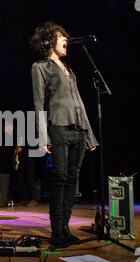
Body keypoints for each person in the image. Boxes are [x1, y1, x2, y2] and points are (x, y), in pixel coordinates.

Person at [30, 21, 99, 245]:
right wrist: (42, 136)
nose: (66, 40)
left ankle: (66, 228)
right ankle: (56, 230)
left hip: (79, 130)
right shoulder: (39, 67)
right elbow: (39, 103)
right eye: (61, 36)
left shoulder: (69, 70)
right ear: (50, 40)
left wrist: (89, 134)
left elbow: (79, 102)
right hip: (58, 127)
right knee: (59, 178)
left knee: (72, 180)